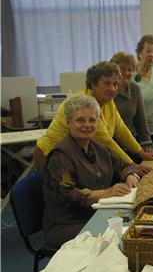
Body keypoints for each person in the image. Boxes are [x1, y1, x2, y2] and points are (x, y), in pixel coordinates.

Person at [43, 95, 142, 247]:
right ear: (68, 122)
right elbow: (67, 195)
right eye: (80, 120)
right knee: (121, 236)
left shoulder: (99, 148)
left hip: (96, 215)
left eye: (92, 120)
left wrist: (131, 175)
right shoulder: (60, 155)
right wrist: (106, 193)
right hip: (67, 224)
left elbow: (124, 165)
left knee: (137, 225)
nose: (87, 125)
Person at [33, 61, 153, 172]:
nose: (112, 88)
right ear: (93, 84)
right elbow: (107, 142)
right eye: (106, 83)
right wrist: (133, 165)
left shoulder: (108, 101)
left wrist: (140, 152)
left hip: (76, 157)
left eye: (115, 84)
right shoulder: (86, 104)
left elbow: (121, 130)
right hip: (51, 156)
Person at [110, 52, 153, 155]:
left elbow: (141, 120)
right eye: (122, 69)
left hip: (129, 145)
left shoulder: (135, 89)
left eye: (130, 70)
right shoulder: (108, 91)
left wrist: (147, 144)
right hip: (108, 146)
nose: (126, 72)